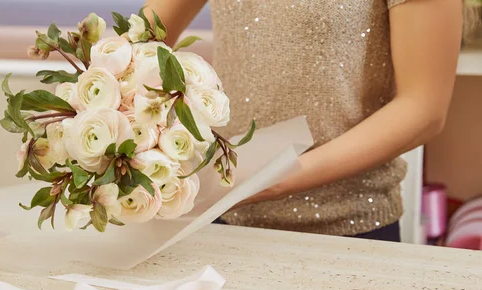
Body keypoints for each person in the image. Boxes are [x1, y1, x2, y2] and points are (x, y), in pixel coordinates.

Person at [145, 0, 480, 242]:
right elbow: (139, 43)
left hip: (349, 232)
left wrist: (277, 177)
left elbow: (423, 110)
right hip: (220, 222)